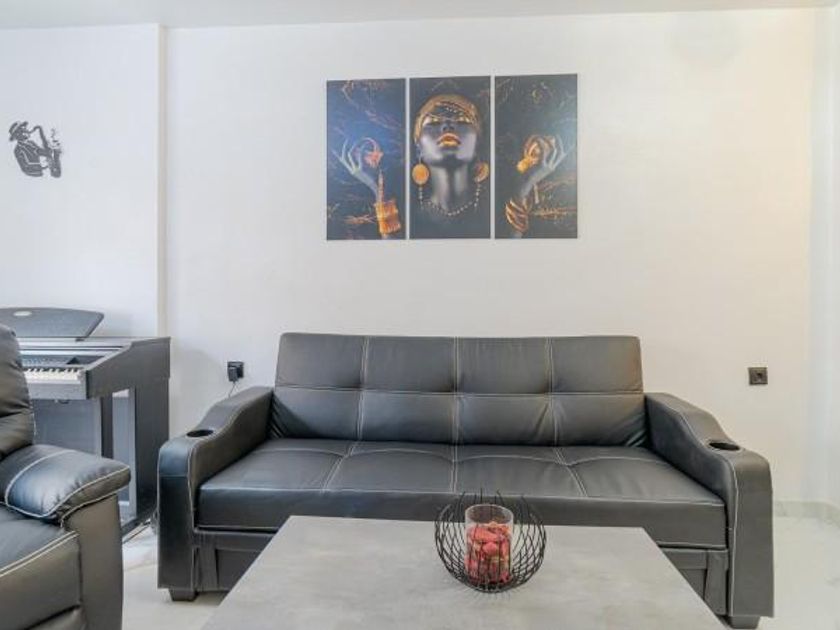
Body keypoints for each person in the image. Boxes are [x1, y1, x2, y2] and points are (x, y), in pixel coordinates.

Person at [410, 94, 489, 238]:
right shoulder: (408, 218)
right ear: (419, 149)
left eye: (462, 121)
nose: (447, 126)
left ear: (477, 146)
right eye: (433, 122)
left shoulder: (492, 215)